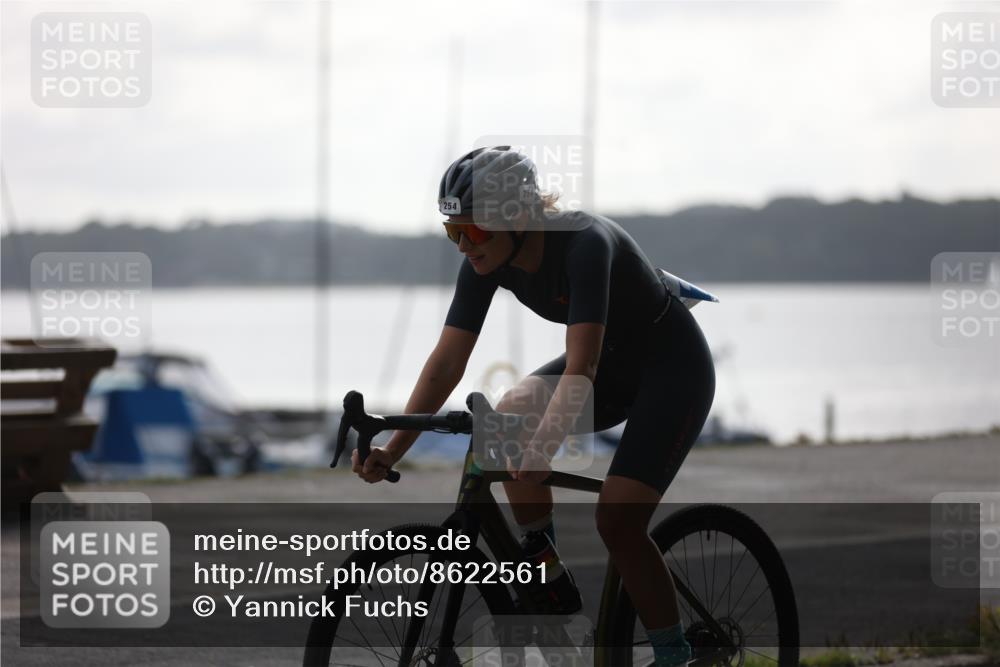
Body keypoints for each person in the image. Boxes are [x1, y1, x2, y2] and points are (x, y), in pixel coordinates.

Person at [352, 146, 716, 667]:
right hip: (608, 366)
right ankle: (545, 574)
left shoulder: (584, 244)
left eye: (473, 232)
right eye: (452, 233)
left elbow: (583, 367)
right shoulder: (485, 261)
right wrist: (395, 447)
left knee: (616, 520)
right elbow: (446, 362)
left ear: (517, 216)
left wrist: (545, 444)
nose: (463, 247)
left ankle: (674, 656)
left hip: (671, 369)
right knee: (507, 416)